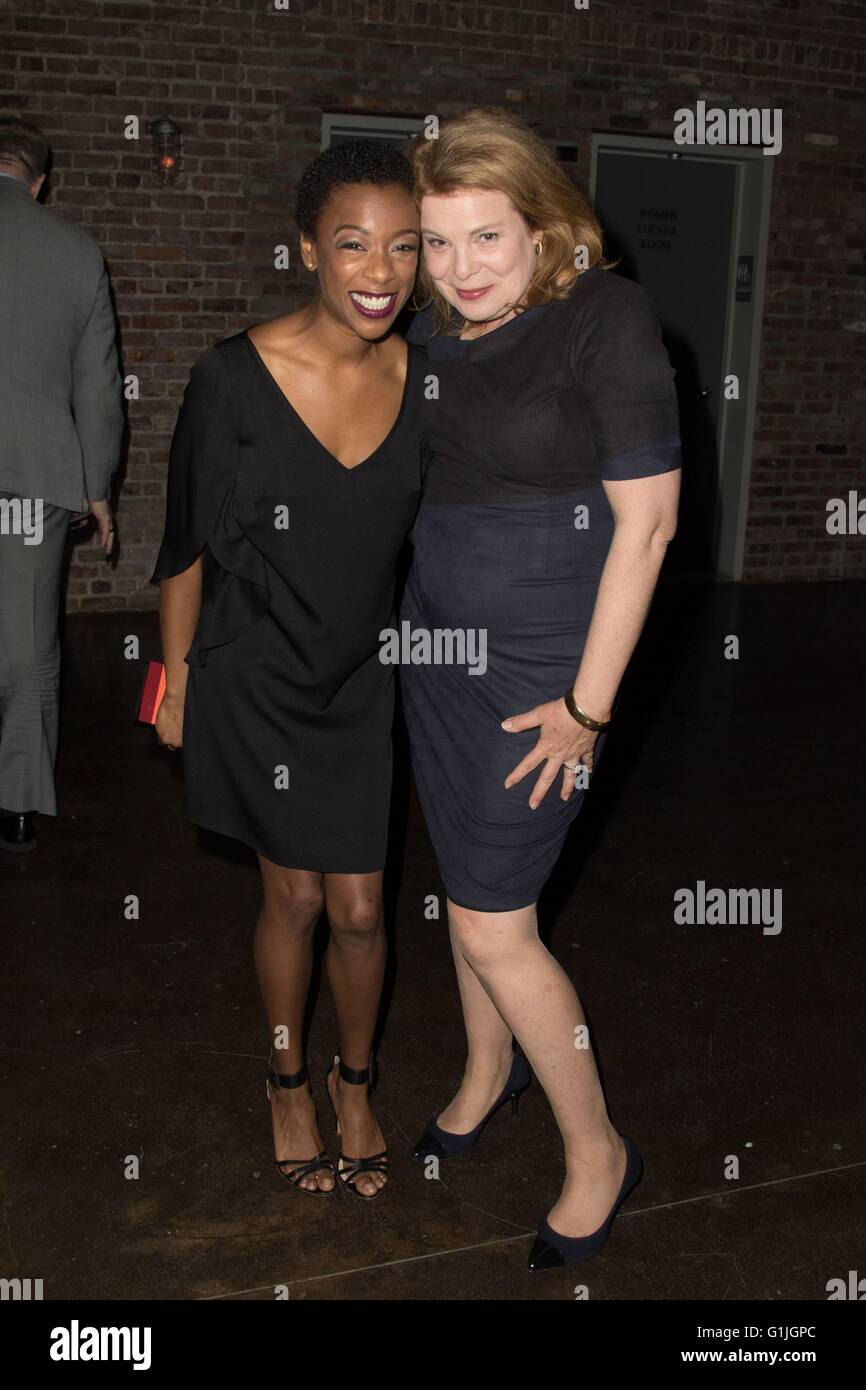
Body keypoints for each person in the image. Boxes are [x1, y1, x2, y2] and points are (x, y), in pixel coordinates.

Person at [401, 107, 682, 1266]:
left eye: (485, 239)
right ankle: (482, 1070)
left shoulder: (603, 319)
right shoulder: (437, 335)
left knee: (491, 919)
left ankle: (595, 1149)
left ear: (546, 229)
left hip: (543, 676)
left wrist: (586, 706)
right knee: (466, 886)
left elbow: (648, 524)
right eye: (435, 242)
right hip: (437, 653)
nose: (457, 269)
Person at [151, 140, 425, 1198]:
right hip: (256, 673)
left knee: (362, 908)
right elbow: (184, 546)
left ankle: (357, 1081)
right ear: (306, 245)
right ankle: (286, 1080)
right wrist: (175, 680)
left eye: (403, 248)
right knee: (299, 899)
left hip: (360, 678)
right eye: (352, 242)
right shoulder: (232, 376)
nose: (378, 271)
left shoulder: (426, 375)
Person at [0, 117, 122, 851]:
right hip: (30, 480)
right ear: (41, 181)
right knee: (25, 640)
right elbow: (99, 389)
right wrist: (97, 489)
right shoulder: (76, 253)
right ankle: (15, 804)